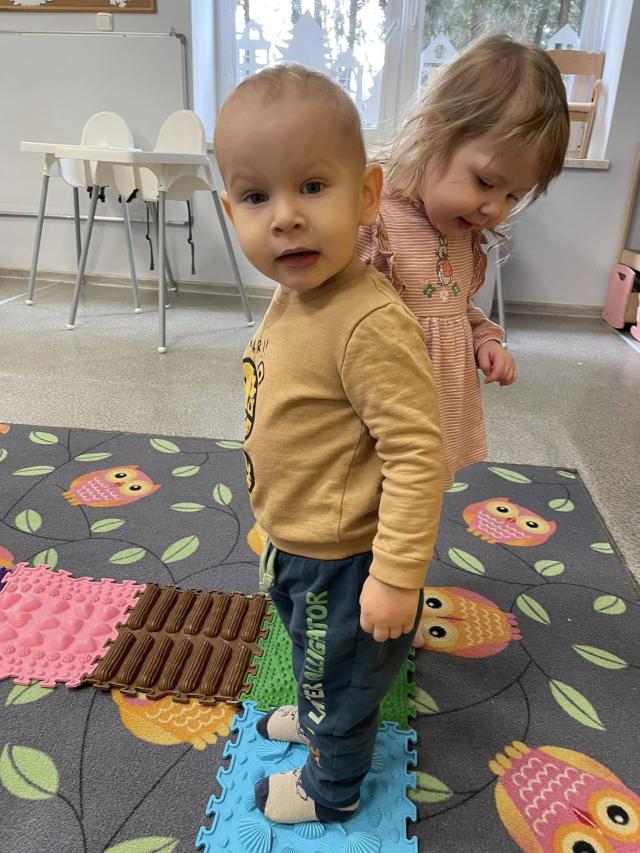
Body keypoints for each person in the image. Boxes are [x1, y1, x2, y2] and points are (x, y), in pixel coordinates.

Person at [214, 64, 445, 825]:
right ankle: (320, 718)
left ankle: (333, 784)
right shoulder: (295, 296)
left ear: (368, 195)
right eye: (257, 197)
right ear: (231, 211)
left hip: (346, 560)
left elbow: (417, 455)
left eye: (312, 186)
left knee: (336, 674)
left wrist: (397, 575)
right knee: (316, 656)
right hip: (299, 541)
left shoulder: (367, 323)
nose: (285, 217)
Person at [357, 34, 570, 486]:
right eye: (485, 182)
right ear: (434, 133)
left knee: (421, 494)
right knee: (365, 497)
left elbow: (453, 308)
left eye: (512, 195)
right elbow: (328, 309)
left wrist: (484, 340)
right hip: (379, 406)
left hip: (437, 410)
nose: (494, 208)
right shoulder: (375, 218)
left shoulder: (463, 233)